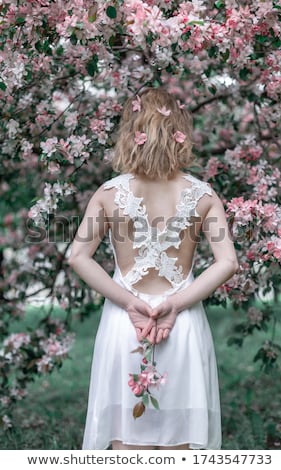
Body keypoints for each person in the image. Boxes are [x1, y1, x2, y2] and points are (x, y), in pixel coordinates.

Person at [68, 88, 239, 450]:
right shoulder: (204, 195)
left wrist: (129, 302)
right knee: (181, 445)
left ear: (132, 131)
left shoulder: (108, 193)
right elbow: (228, 262)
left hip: (124, 323)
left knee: (126, 444)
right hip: (183, 322)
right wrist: (176, 303)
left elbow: (77, 256)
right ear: (179, 131)